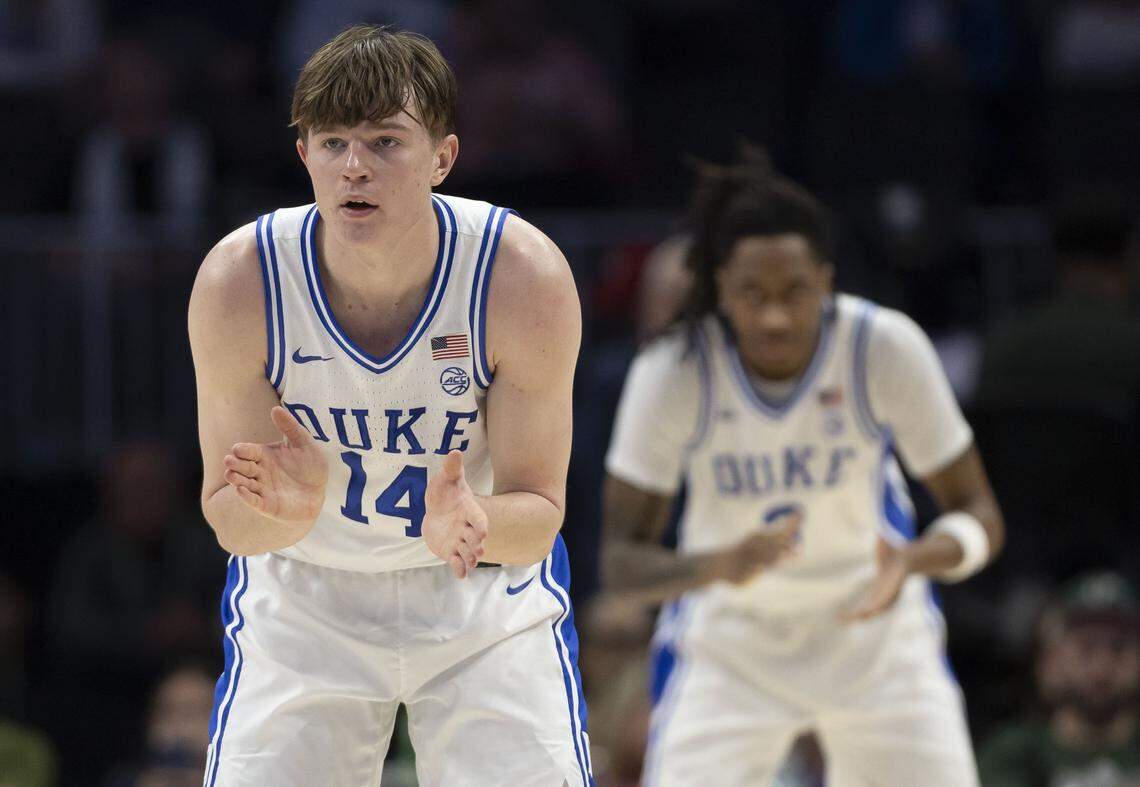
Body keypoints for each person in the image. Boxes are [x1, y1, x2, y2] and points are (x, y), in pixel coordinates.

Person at [187, 26, 588, 787]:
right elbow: (227, 519)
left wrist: (475, 520)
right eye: (333, 142)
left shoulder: (519, 274)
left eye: (385, 141)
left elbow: (538, 513)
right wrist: (290, 509)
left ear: (443, 156)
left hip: (478, 594)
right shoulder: (241, 281)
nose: (355, 167)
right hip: (306, 593)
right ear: (303, 155)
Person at [601, 147, 1005, 786]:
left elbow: (980, 515)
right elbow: (620, 564)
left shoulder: (883, 347)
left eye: (794, 291)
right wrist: (716, 566)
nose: (775, 315)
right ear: (722, 289)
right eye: (753, 293)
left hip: (875, 638)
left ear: (826, 280)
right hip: (733, 648)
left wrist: (917, 559)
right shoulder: (676, 371)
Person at [979, 571, 1140, 787]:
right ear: (1049, 661)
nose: (1102, 666)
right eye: (1086, 647)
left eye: (1119, 647)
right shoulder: (1013, 754)